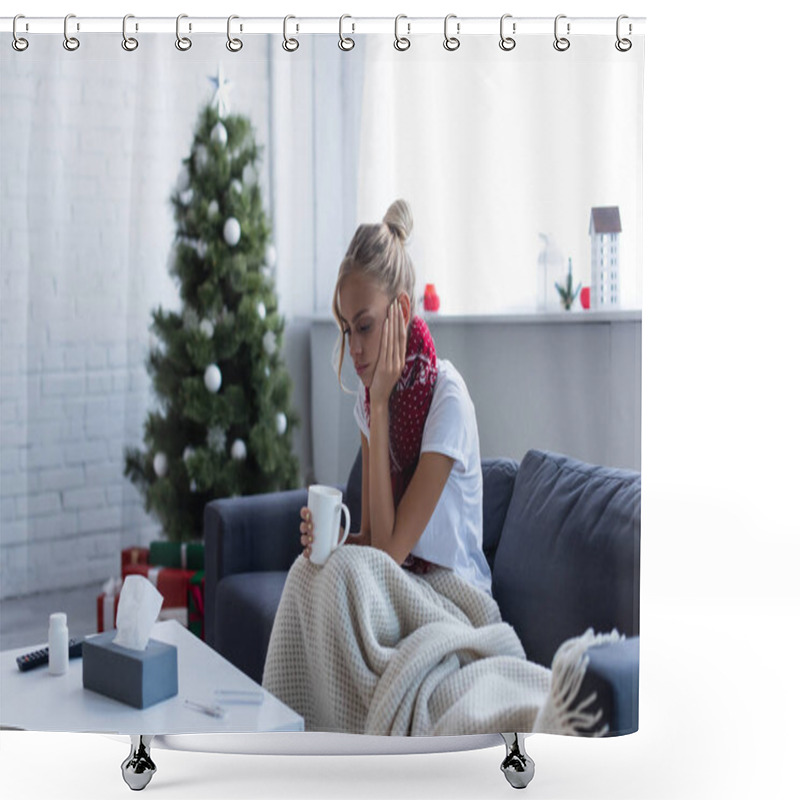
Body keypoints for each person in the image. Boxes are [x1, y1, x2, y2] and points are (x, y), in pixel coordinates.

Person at [299, 199, 492, 594]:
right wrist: (332, 540)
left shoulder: (447, 398)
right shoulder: (368, 401)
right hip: (401, 584)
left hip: (454, 595)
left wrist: (381, 405)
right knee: (307, 575)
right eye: (348, 329)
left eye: (365, 326)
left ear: (401, 310)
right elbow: (373, 540)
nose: (353, 347)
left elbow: (387, 555)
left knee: (342, 593)